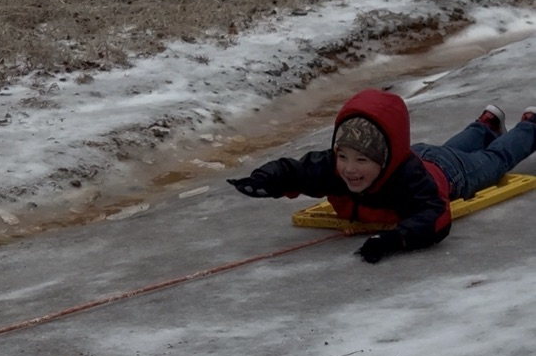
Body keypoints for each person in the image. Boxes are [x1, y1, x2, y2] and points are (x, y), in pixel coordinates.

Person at [227, 88, 536, 262]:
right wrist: (265, 179)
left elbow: (435, 215)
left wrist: (394, 240)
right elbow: (295, 171)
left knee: (494, 160)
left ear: (385, 160)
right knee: (447, 149)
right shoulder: (336, 169)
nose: (349, 168)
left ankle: (529, 126)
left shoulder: (409, 180)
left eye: (362, 159)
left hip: (449, 173)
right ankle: (485, 125)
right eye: (343, 156)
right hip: (422, 153)